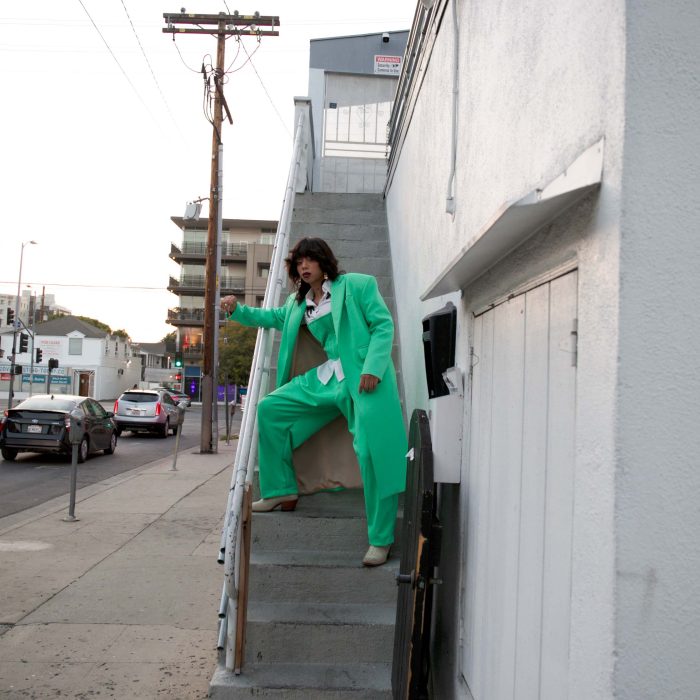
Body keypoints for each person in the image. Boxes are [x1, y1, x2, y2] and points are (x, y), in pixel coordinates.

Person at [220, 237, 407, 567]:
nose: (304, 266)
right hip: (327, 378)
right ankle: (281, 490)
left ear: (324, 261)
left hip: (363, 379)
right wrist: (237, 310)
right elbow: (269, 318)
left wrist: (373, 367)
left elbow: (382, 325)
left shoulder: (358, 285)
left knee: (370, 453)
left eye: (310, 259)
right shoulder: (299, 304)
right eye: (298, 262)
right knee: (270, 408)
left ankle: (381, 539)